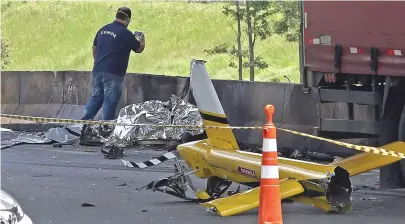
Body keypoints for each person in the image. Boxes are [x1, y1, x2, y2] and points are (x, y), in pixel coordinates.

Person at [82, 6, 145, 121]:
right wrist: (142, 39)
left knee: (96, 98)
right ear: (128, 20)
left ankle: (82, 125)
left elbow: (94, 47)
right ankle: (105, 130)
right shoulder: (126, 33)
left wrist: (98, 62)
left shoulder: (103, 29)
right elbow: (138, 49)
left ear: (117, 16)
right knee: (109, 103)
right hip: (114, 73)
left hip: (97, 70)